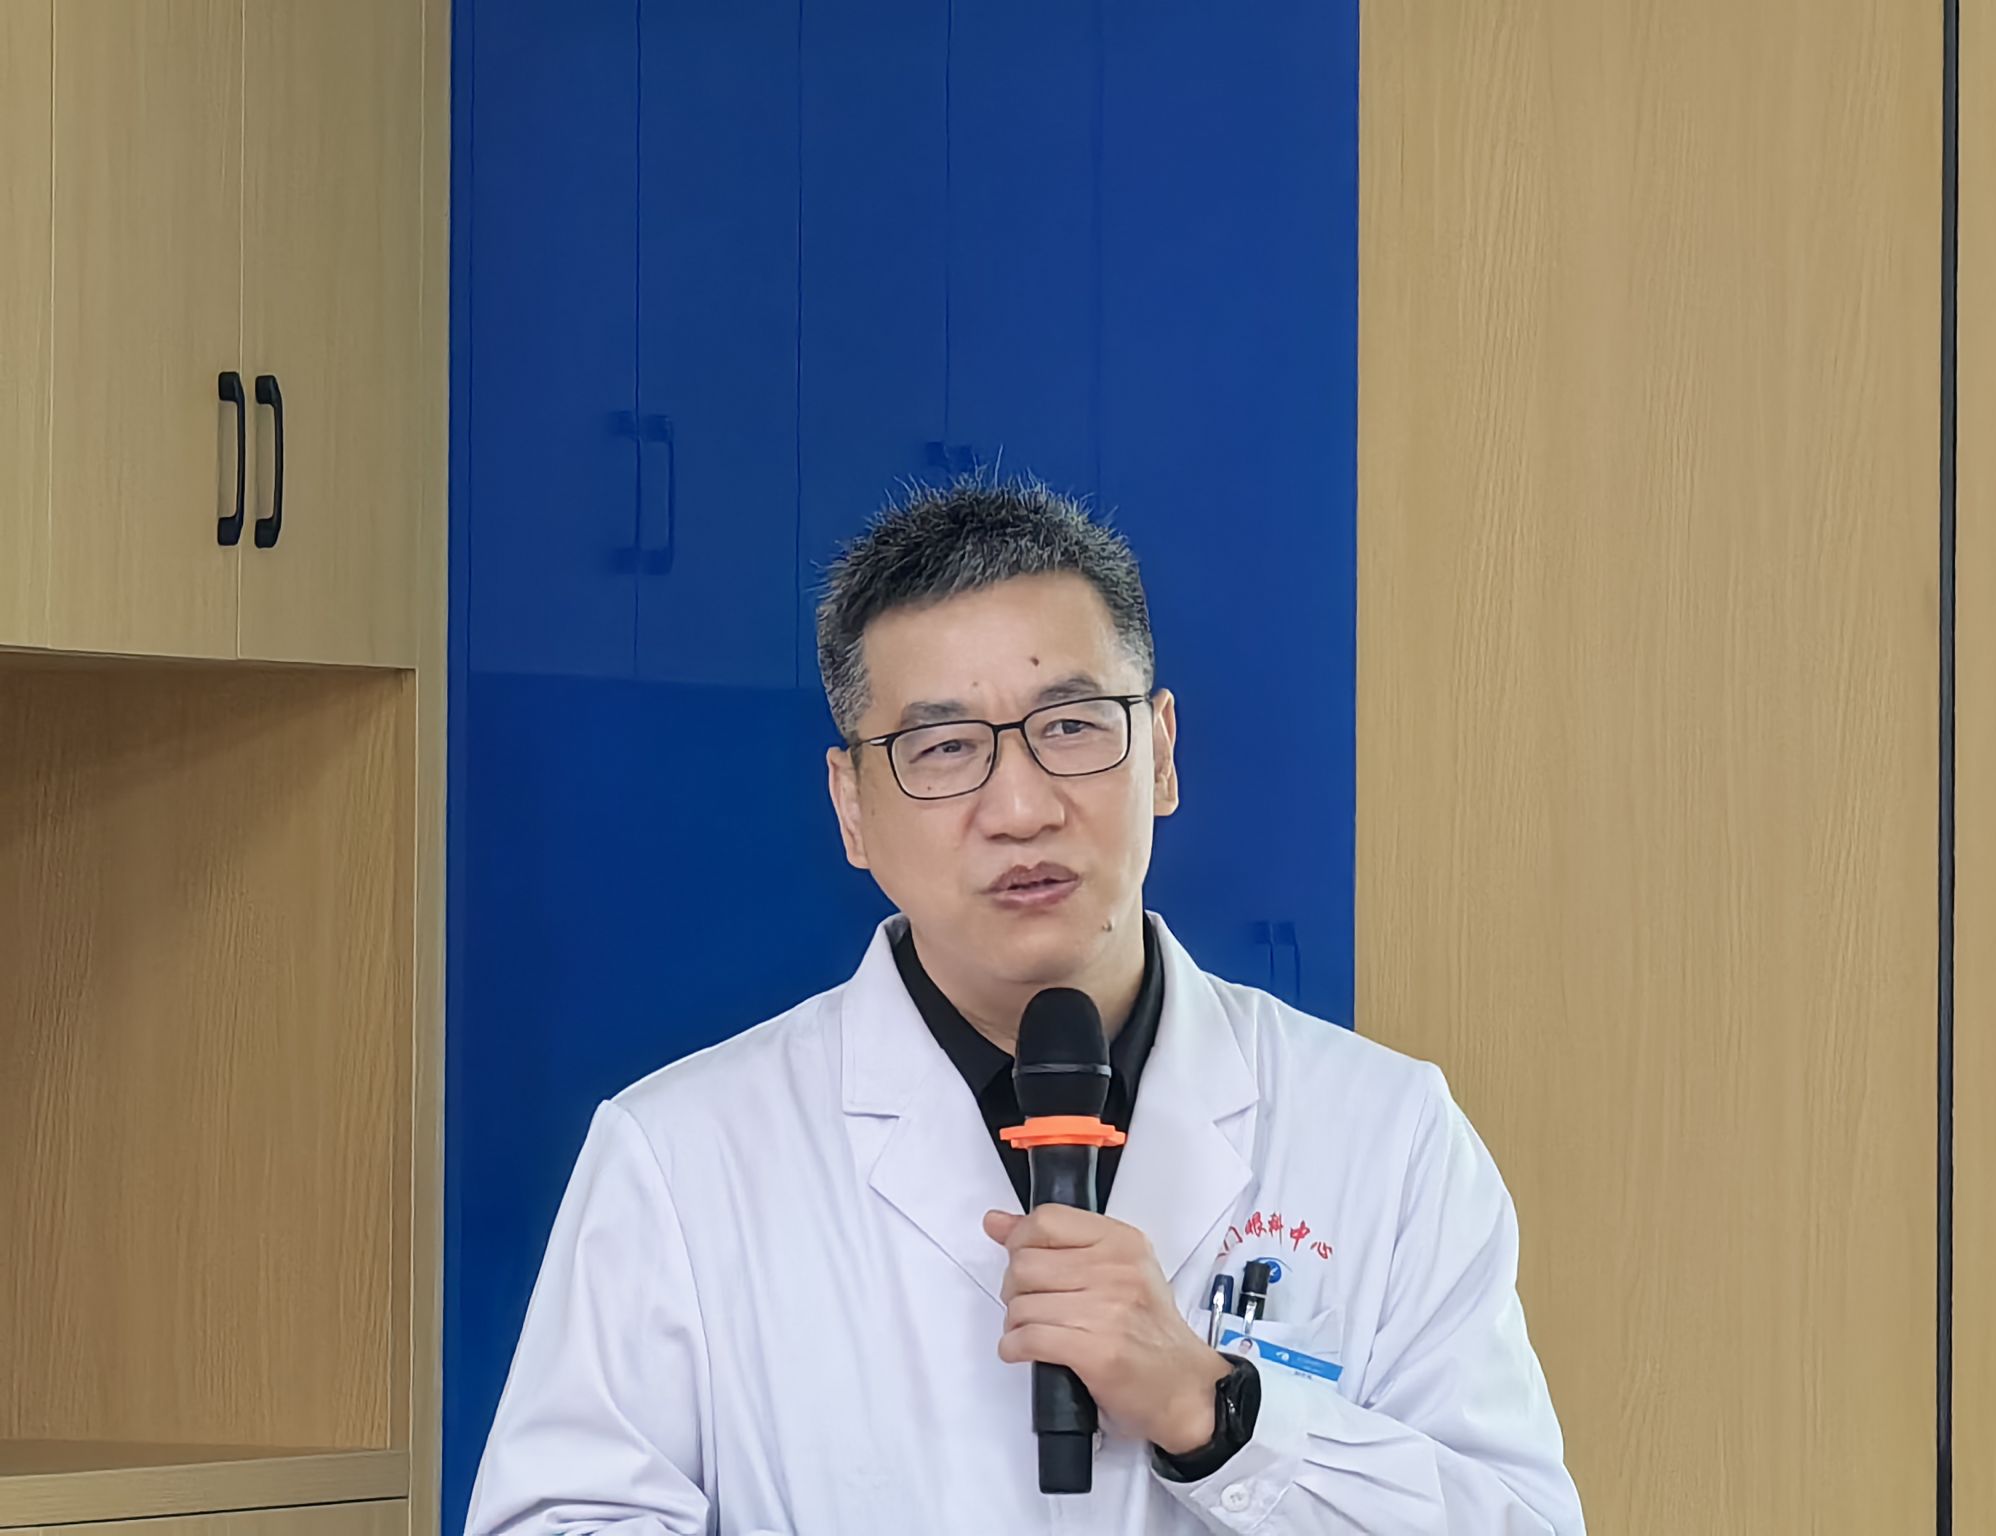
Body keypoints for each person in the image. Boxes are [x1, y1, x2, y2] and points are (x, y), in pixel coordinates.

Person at [464, 482, 1584, 1534]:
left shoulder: (1383, 1131)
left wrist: (1217, 1412)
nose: (1019, 807)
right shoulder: (681, 1156)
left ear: (1161, 754)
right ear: (851, 807)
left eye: (1072, 726)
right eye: (943, 748)